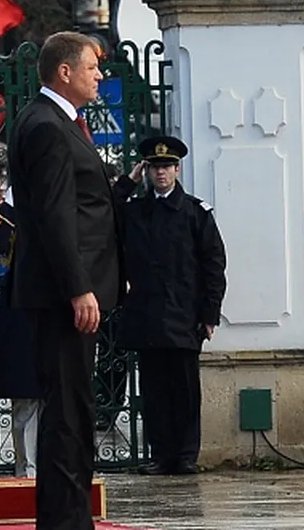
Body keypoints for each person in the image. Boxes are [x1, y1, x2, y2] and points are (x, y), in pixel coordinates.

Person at [7, 31, 122, 530]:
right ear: (65, 73)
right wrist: (79, 287)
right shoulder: (48, 126)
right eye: (92, 68)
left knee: (74, 405)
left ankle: (69, 515)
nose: (100, 76)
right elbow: (56, 216)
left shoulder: (58, 121)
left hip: (73, 288)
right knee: (69, 410)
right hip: (62, 295)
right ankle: (65, 520)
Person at [112, 136, 227, 476]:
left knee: (185, 389)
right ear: (145, 170)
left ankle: (186, 454)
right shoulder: (135, 210)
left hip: (183, 315)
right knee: (154, 390)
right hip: (147, 315)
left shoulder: (194, 212)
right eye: (153, 167)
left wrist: (209, 313)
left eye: (166, 167)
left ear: (177, 169)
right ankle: (161, 453)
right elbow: (105, 209)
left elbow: (213, 264)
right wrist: (127, 182)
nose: (160, 173)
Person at [0, 187, 45, 478]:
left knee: (59, 395)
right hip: (21, 305)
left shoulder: (68, 192)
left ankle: (57, 468)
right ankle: (27, 471)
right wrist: (11, 204)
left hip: (59, 303)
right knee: (25, 394)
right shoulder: (13, 200)